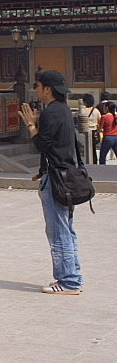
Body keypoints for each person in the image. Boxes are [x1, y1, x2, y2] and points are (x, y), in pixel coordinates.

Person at [19, 70, 83, 295]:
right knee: (67, 230)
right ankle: (74, 277)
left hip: (56, 179)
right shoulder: (64, 110)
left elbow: (42, 145)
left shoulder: (50, 113)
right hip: (66, 176)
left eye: (37, 85)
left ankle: (68, 281)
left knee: (58, 232)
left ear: (47, 89)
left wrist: (30, 125)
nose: (36, 90)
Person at [81, 94, 101, 163]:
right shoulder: (96, 111)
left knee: (84, 148)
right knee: (93, 149)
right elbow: (99, 121)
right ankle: (94, 161)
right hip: (94, 132)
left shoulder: (82, 111)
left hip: (84, 131)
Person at [98, 101, 117, 165]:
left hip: (107, 137)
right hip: (115, 136)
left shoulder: (104, 117)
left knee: (103, 155)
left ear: (107, 108)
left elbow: (100, 129)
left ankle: (102, 169)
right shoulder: (115, 116)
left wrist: (99, 130)